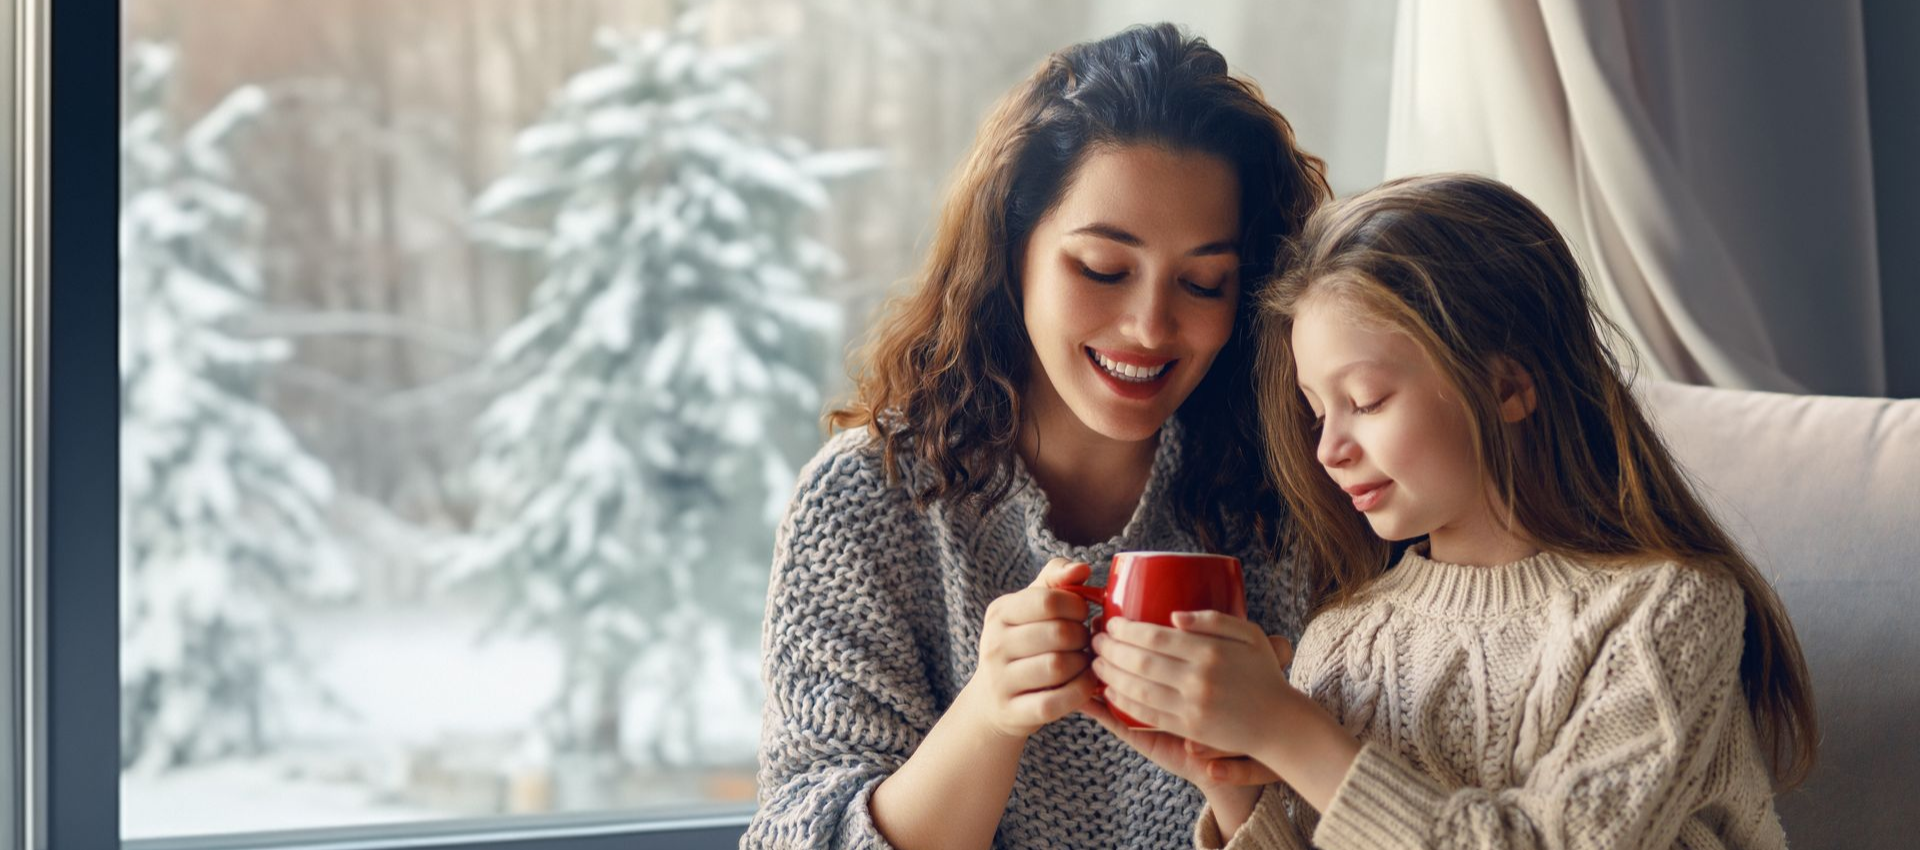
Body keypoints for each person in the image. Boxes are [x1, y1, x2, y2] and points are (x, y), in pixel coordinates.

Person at [1089, 173, 1818, 849]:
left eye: (1366, 401)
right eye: (1317, 414)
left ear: (1506, 387)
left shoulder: (1666, 611)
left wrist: (1289, 731)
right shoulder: (1346, 639)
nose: (1329, 449)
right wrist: (1235, 783)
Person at [742, 22, 1331, 849]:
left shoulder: (1295, 502)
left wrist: (1245, 763)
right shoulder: (866, 504)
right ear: (1013, 250)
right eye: (1102, 268)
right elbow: (797, 835)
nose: (1150, 325)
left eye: (1204, 282)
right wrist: (986, 716)